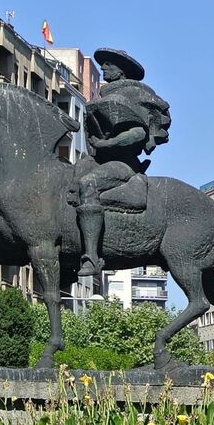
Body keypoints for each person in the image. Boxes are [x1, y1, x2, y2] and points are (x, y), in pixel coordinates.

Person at [71, 47, 171, 277]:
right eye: (103, 64)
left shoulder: (132, 95)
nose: (103, 67)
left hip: (123, 164)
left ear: (122, 71)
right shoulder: (105, 95)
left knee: (88, 185)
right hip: (98, 161)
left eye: (109, 64)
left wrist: (107, 145)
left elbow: (137, 133)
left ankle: (92, 258)